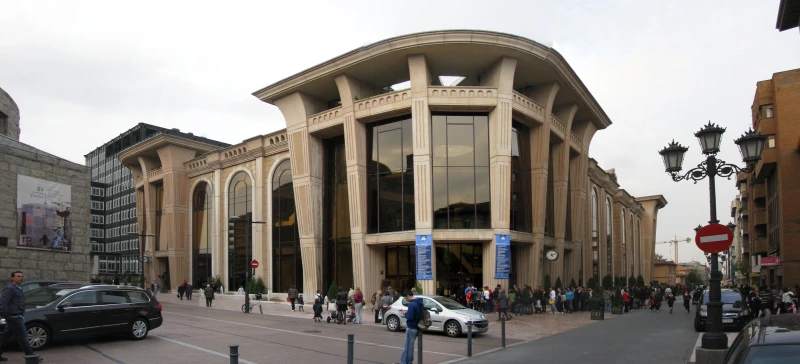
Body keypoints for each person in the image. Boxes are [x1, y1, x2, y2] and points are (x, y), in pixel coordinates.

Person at [0, 271, 44, 363]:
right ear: (12, 278)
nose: (21, 278)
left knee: (5, 336)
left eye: (22, 276)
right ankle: (31, 355)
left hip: (17, 315)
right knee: (23, 337)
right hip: (14, 317)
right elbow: (3, 303)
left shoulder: (18, 288)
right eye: (18, 276)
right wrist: (5, 315)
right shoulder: (10, 288)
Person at [395, 291, 423, 364]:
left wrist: (405, 313)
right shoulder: (419, 302)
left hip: (411, 327)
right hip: (416, 326)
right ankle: (408, 361)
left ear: (408, 296)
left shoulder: (411, 304)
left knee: (408, 347)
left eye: (405, 297)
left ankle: (404, 362)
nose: (405, 299)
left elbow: (409, 317)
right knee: (410, 346)